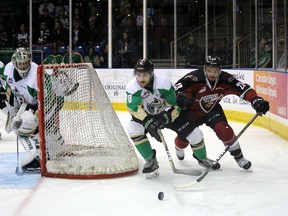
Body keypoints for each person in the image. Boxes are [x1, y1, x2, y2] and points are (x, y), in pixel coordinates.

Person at [126, 58, 220, 178]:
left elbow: (175, 105)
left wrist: (166, 118)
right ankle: (150, 160)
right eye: (138, 75)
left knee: (196, 134)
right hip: (147, 115)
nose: (141, 78)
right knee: (133, 129)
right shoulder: (132, 87)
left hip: (166, 113)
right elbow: (134, 108)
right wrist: (148, 122)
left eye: (145, 74)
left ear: (151, 74)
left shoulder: (163, 83)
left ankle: (202, 158)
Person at [173, 56, 270, 170]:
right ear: (204, 69)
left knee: (224, 130)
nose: (212, 74)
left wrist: (255, 100)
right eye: (209, 71)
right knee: (182, 141)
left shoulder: (226, 79)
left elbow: (243, 89)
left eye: (215, 71)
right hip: (191, 112)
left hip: (212, 109)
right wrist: (178, 97)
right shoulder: (193, 78)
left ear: (220, 70)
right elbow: (175, 90)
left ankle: (239, 157)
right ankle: (178, 148)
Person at [0, 47, 40, 172]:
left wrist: (37, 113)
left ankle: (38, 156)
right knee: (18, 127)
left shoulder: (35, 74)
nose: (23, 66)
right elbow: (9, 87)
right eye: (20, 63)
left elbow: (45, 99)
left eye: (25, 63)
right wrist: (14, 110)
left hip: (38, 105)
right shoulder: (8, 69)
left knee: (26, 125)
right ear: (14, 63)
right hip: (23, 105)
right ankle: (36, 154)